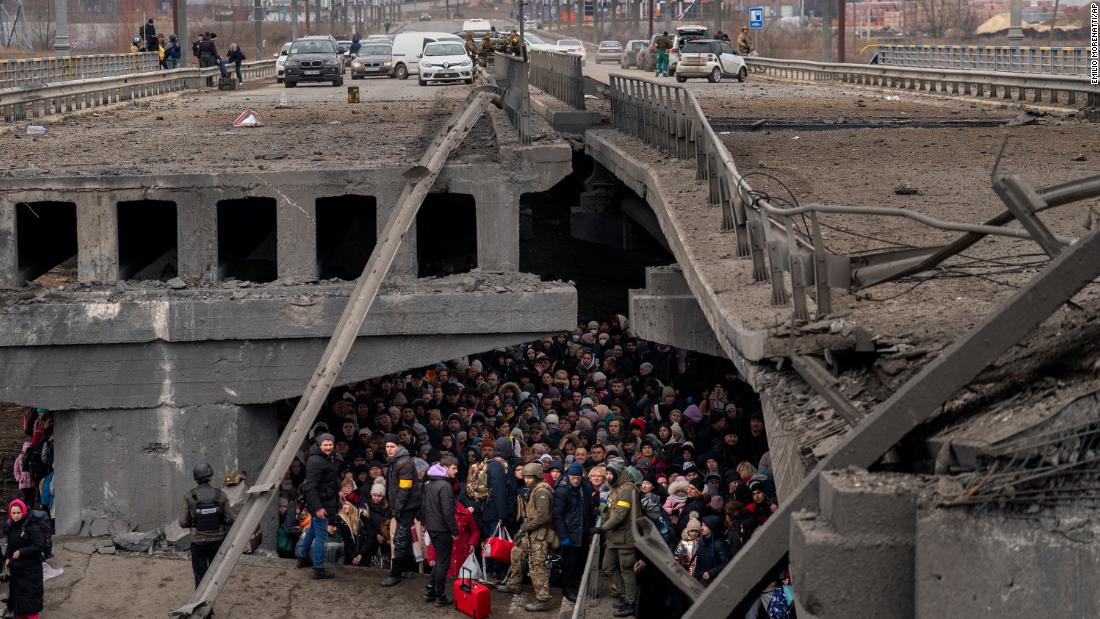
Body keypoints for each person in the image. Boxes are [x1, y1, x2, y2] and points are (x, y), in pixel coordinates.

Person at [497, 462, 555, 612]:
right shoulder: (534, 489)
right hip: (530, 532)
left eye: (530, 477)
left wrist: (524, 528)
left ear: (537, 476)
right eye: (525, 477)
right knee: (516, 553)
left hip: (539, 534)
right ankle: (514, 584)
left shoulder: (542, 492)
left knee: (537, 566)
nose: (526, 480)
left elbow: (543, 517)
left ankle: (543, 599)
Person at [179, 462, 234, 588]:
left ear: (195, 477)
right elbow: (230, 519)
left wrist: (195, 522)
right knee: (214, 575)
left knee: (200, 576)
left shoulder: (189, 496)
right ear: (210, 476)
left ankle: (200, 605)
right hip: (217, 541)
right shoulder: (221, 495)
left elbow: (183, 522)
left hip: (198, 542)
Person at [594, 460, 637, 617]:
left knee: (626, 569)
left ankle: (631, 602)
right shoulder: (617, 488)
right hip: (613, 537)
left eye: (611, 473)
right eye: (608, 473)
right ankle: (626, 595)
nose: (609, 476)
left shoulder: (627, 489)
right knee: (607, 567)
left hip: (625, 537)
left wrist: (602, 528)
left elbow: (619, 516)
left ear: (619, 473)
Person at [382, 432, 421, 587]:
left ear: (398, 446)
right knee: (405, 537)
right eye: (387, 447)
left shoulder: (403, 462)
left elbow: (404, 489)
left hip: (406, 507)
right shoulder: (396, 461)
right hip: (403, 506)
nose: (389, 449)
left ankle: (395, 574)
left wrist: (397, 509)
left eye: (392, 446)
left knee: (399, 538)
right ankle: (408, 569)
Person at [298, 433, 339, 579]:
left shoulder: (326, 457)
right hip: (321, 503)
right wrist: (317, 508)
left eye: (330, 444)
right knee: (321, 536)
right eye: (325, 445)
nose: (328, 447)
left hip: (324, 500)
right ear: (319, 445)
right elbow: (311, 487)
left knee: (313, 531)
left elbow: (330, 479)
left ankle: (302, 557)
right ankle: (319, 568)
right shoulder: (316, 461)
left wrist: (338, 492)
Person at [421, 455, 459, 607]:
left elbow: (424, 507)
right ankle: (440, 596)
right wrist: (455, 531)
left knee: (439, 561)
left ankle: (430, 590)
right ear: (445, 468)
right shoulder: (445, 486)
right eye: (454, 468)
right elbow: (448, 512)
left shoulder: (430, 483)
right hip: (442, 529)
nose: (456, 471)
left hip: (432, 527)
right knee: (443, 563)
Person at [553, 460, 591, 602]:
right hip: (570, 532)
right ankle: (568, 589)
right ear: (568, 476)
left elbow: (587, 509)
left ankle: (575, 584)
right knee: (570, 563)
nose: (575, 480)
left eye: (578, 478)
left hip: (582, 531)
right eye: (573, 477)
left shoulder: (585, 487)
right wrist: (563, 536)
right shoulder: (563, 490)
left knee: (580, 561)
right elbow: (557, 516)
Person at [4, 499, 44, 619]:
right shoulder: (11, 528)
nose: (16, 516)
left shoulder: (32, 528)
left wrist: (21, 552)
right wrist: (6, 558)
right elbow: (10, 546)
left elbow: (39, 546)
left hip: (31, 573)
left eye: (18, 513)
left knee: (30, 606)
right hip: (17, 573)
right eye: (13, 513)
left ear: (23, 512)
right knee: (19, 606)